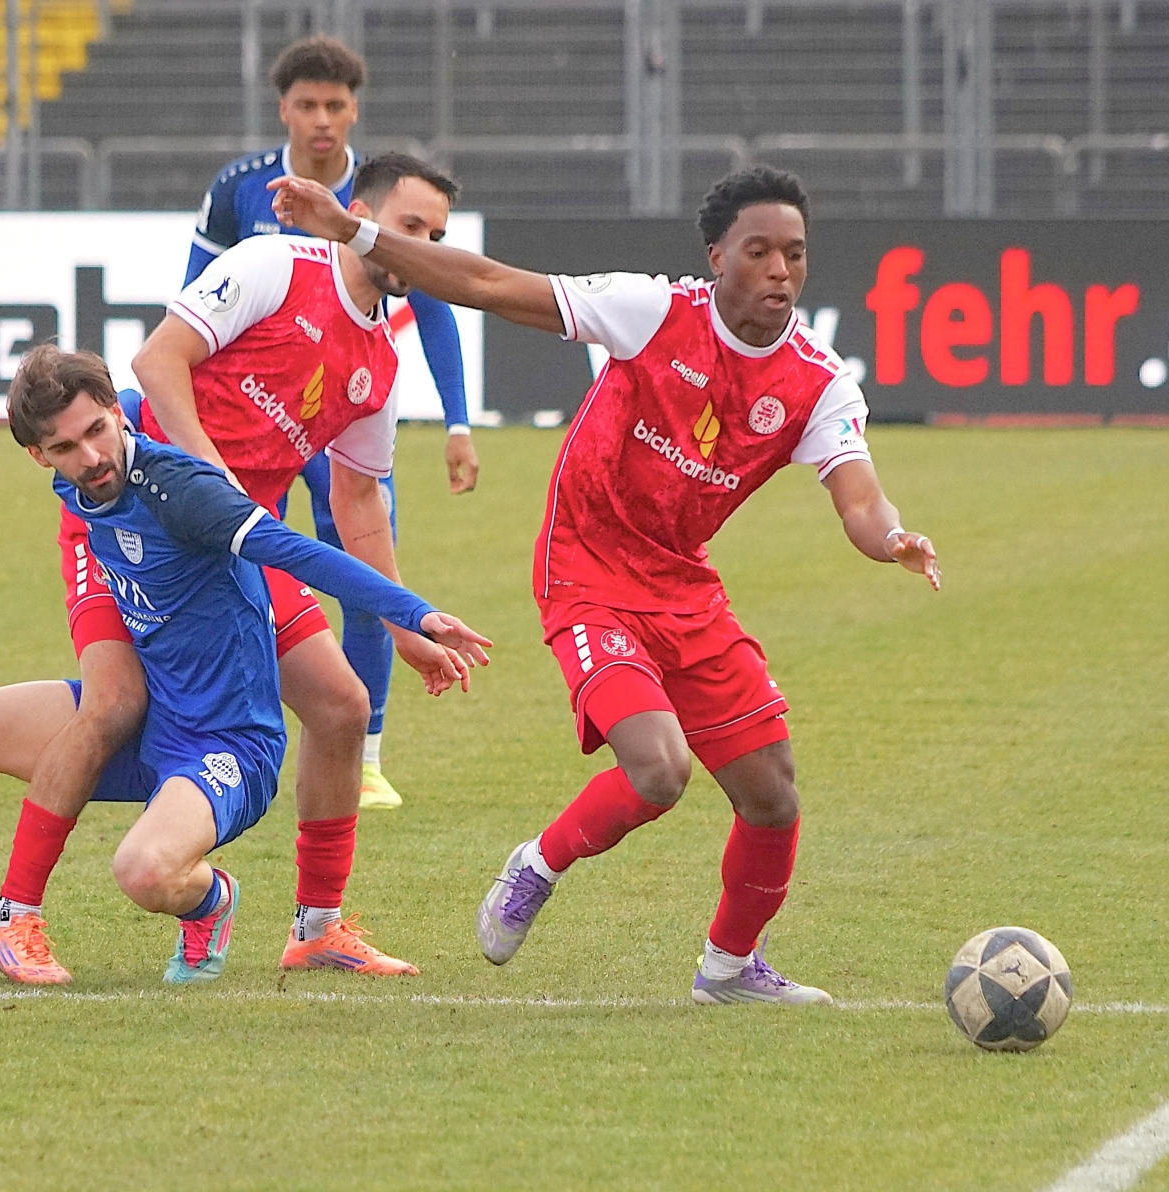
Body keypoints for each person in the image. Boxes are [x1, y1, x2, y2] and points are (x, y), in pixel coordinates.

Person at [269, 164, 942, 1004]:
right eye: (760, 251)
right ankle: (538, 864)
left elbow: (861, 497)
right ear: (717, 255)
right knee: (659, 768)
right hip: (584, 567)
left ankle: (729, 969)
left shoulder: (819, 380)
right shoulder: (653, 310)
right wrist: (358, 232)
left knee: (772, 796)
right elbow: (487, 283)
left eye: (795, 255)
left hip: (683, 585)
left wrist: (892, 539)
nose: (780, 271)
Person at [0, 348, 488, 984]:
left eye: (99, 429)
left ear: (118, 408)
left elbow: (296, 551)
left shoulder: (180, 489)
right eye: (66, 447)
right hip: (153, 725)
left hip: (226, 746)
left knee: (141, 871)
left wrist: (414, 614)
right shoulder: (80, 493)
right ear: (38, 455)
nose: (92, 455)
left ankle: (213, 901)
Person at [0, 153, 467, 985]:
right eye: (409, 227)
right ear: (362, 214)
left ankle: (318, 927)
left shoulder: (377, 367)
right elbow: (157, 363)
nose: (419, 245)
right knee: (114, 703)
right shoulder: (275, 264)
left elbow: (356, 506)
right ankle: (16, 914)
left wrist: (403, 620)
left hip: (235, 542)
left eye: (437, 236)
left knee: (342, 707)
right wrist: (212, 480)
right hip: (130, 508)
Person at [188, 35, 480, 810]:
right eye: (309, 104)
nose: (323, 119)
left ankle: (368, 749)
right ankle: (239, 736)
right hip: (246, 424)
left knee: (359, 546)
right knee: (254, 572)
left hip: (338, 416)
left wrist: (458, 420)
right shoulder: (241, 190)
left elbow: (435, 302)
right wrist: (196, 449)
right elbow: (189, 311)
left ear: (354, 110)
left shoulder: (392, 198)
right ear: (284, 109)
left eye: (337, 105)